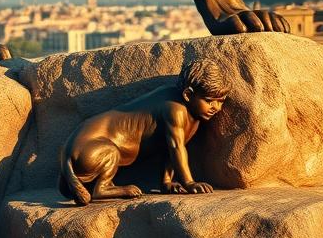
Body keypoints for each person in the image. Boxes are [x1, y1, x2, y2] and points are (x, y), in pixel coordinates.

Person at [59, 58, 230, 204]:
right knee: (109, 151)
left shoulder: (190, 112)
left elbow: (170, 148)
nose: (216, 107)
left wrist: (167, 182)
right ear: (188, 94)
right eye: (209, 101)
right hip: (89, 150)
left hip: (82, 152)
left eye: (221, 101)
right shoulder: (176, 110)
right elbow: (176, 147)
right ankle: (101, 189)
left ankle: (164, 180)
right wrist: (189, 182)